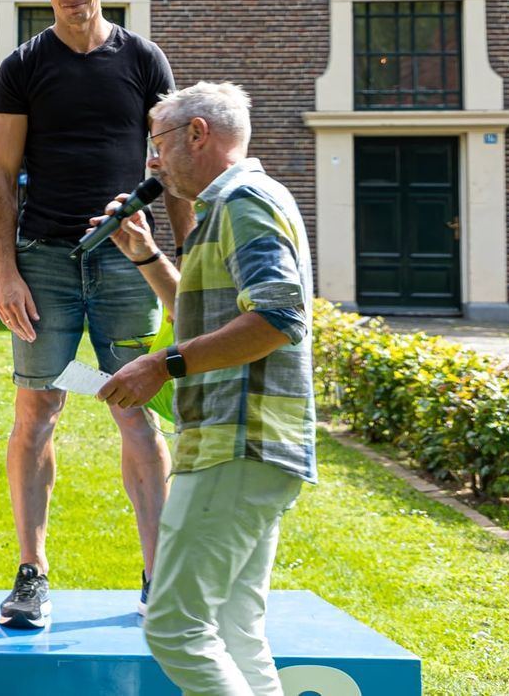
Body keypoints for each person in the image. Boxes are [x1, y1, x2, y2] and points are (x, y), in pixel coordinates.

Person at [0, 0, 194, 626]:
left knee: (136, 412)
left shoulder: (144, 60)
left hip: (126, 259)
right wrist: (4, 270)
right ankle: (31, 572)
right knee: (36, 411)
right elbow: (1, 175)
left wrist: (185, 260)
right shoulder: (23, 66)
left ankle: (157, 576)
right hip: (43, 260)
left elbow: (174, 171)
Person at [95, 82, 315, 696]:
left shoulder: (244, 201)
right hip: (247, 445)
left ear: (198, 134)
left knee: (174, 629)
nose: (152, 162)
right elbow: (210, 319)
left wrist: (161, 365)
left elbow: (277, 317)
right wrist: (145, 255)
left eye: (159, 143)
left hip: (236, 443)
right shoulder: (239, 203)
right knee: (233, 627)